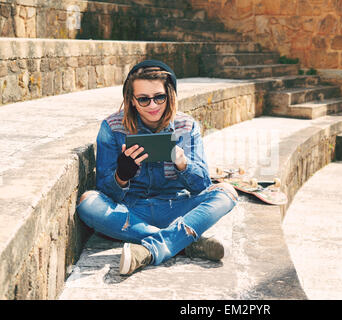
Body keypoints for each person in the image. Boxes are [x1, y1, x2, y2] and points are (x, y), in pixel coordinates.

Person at [75, 60, 238, 276]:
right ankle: (184, 243)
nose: (152, 106)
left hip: (177, 207)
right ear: (131, 101)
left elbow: (201, 187)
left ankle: (152, 249)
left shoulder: (186, 126)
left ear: (169, 95)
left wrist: (183, 163)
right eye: (143, 99)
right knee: (88, 203)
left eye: (159, 97)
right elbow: (106, 192)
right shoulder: (112, 128)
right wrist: (122, 176)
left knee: (227, 192)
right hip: (132, 210)